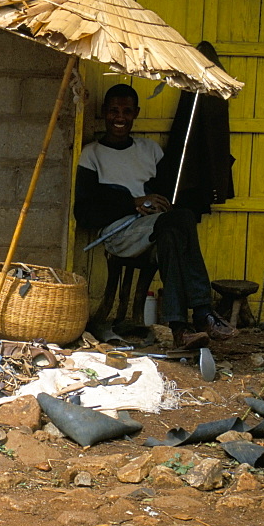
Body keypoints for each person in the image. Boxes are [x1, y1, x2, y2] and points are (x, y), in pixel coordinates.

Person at [74, 83, 235, 350]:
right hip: (119, 234)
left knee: (174, 229)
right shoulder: (92, 154)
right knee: (177, 222)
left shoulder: (150, 150)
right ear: (104, 112)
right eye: (114, 110)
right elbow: (85, 213)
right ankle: (203, 312)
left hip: (157, 228)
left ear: (136, 113)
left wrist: (164, 204)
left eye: (126, 111)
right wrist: (132, 203)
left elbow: (170, 194)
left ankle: (180, 329)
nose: (120, 118)